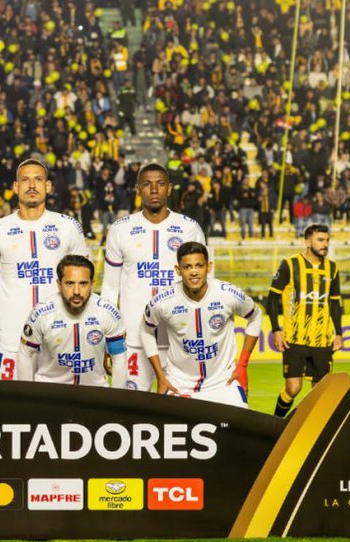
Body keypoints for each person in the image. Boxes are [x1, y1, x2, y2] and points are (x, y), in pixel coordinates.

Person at [0, 159, 89, 381]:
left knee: (60, 409)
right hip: (11, 338)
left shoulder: (68, 226)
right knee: (13, 409)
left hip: (60, 336)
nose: (31, 185)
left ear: (48, 186)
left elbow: (84, 281)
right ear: (15, 187)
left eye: (38, 179)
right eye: (25, 180)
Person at [101, 163, 206, 391]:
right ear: (138, 189)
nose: (154, 190)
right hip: (133, 339)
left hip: (178, 339)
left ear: (169, 188)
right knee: (131, 409)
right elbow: (110, 287)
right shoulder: (121, 230)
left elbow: (203, 286)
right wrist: (106, 338)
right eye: (147, 184)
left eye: (160, 184)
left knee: (179, 412)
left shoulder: (189, 229)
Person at [140, 242, 261, 407]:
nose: (194, 272)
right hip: (179, 384)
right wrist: (160, 376)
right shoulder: (163, 301)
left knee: (239, 431)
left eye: (199, 265)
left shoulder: (228, 294)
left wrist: (242, 365)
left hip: (223, 384)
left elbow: (256, 316)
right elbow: (145, 330)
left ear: (209, 267)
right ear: (178, 270)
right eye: (187, 267)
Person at [15, 254, 126, 386]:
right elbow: (25, 353)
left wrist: (116, 401)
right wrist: (27, 395)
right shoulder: (41, 313)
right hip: (50, 392)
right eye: (69, 283)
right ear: (59, 284)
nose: (77, 291)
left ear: (92, 284)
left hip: (95, 393)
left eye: (83, 283)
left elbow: (119, 358)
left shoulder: (109, 312)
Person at [270, 224, 343, 417]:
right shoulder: (290, 264)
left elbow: (335, 303)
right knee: (293, 388)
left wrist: (339, 334)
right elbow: (272, 297)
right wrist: (276, 330)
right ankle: (276, 423)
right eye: (320, 240)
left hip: (322, 340)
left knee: (320, 392)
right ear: (308, 242)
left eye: (327, 240)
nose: (325, 244)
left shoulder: (332, 268)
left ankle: (311, 432)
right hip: (294, 338)